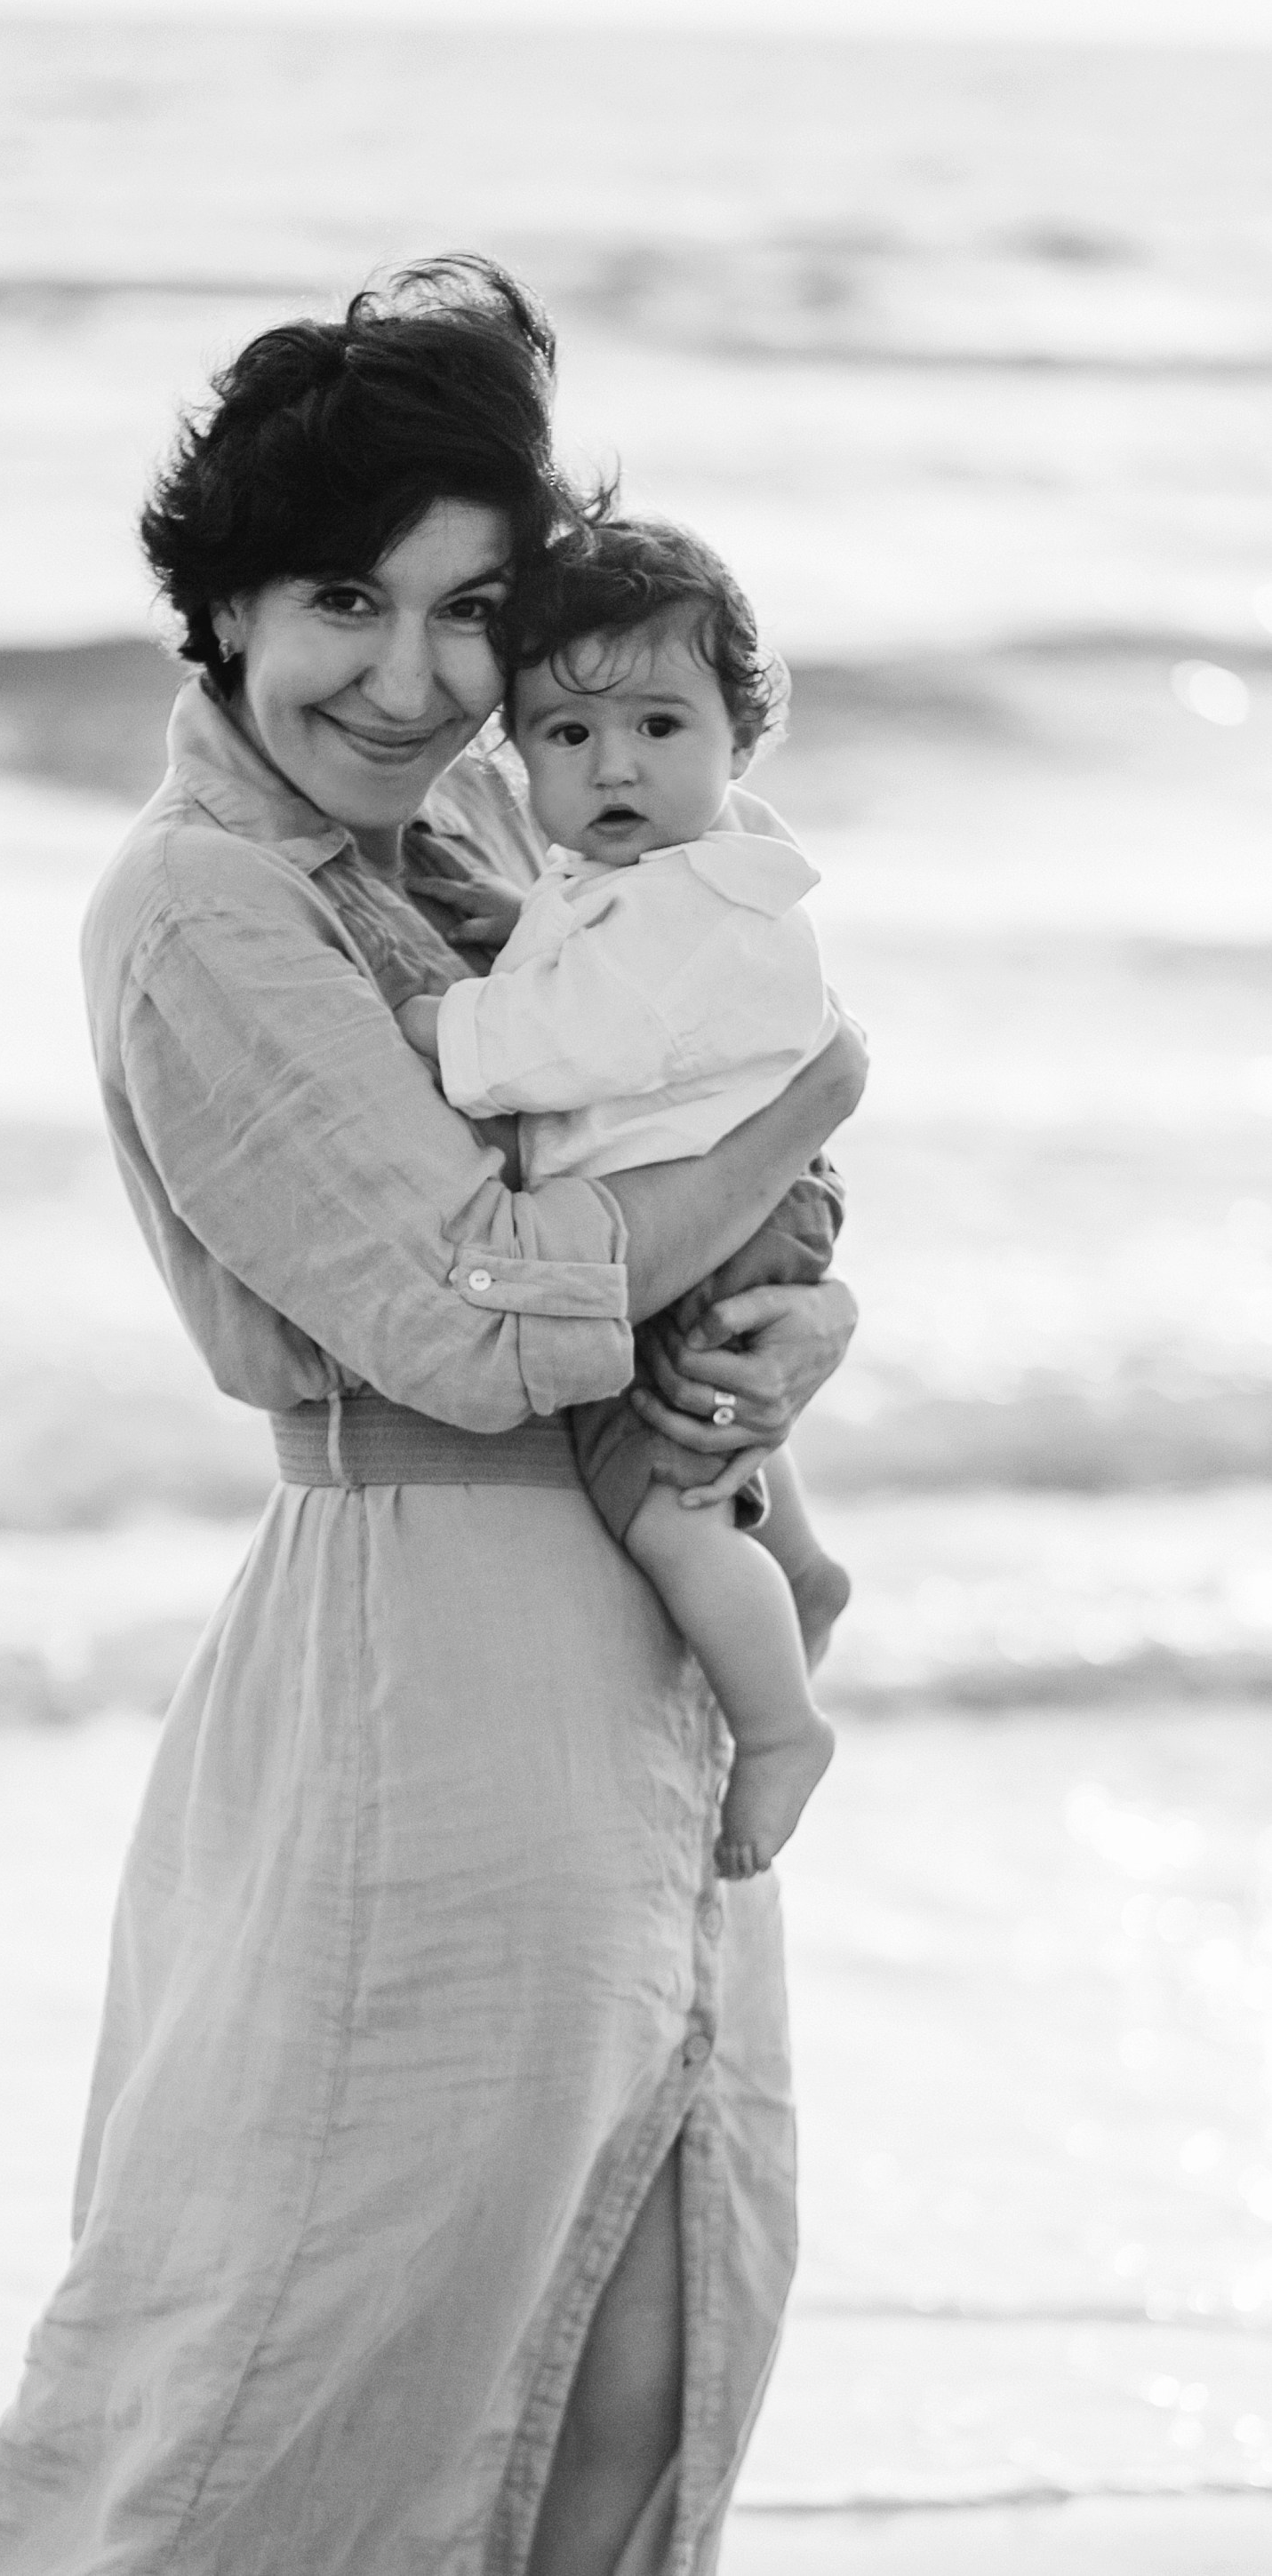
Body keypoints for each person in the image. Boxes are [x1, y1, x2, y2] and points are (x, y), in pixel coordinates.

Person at [0, 259, 866, 2576]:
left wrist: (791, 1326)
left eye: (473, 614)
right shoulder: (204, 910)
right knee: (328, 2357)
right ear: (224, 600)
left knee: (637, 2340)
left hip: (618, 1635)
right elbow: (473, 1309)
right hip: (428, 1665)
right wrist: (802, 1122)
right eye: (343, 596)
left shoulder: (475, 867)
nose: (409, 672)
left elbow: (639, 1160)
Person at [397, 517, 851, 1880]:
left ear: (742, 736)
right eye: (569, 736)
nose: (616, 766)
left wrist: (443, 1028)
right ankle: (806, 1570)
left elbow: (581, 1042)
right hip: (738, 1191)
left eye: (659, 725)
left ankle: (779, 1727)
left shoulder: (690, 900)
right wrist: (516, 940)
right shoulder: (648, 876)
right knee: (700, 1434)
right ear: (517, 749)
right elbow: (579, 965)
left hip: (720, 1211)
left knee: (665, 1503)